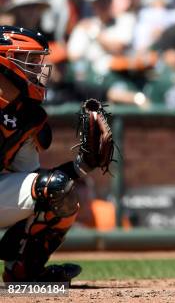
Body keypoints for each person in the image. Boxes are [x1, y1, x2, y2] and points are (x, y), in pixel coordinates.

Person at [0, 25, 107, 282]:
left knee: (58, 190)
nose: (38, 69)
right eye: (30, 60)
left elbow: (35, 180)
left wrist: (83, 165)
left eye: (38, 61)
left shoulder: (28, 115)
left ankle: (25, 272)